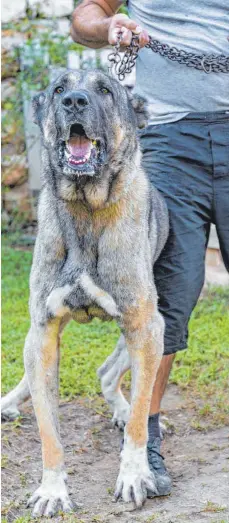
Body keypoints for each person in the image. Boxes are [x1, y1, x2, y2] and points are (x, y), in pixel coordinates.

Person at [71, 0, 229, 497]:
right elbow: (85, 17)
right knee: (166, 292)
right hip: (167, 137)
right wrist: (107, 25)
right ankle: (144, 441)